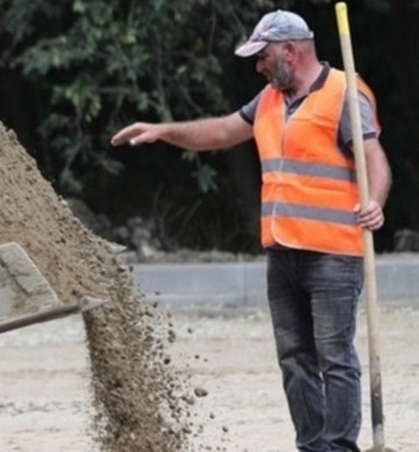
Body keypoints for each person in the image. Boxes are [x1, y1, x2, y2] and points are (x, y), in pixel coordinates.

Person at [111, 10, 391, 452]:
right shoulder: (268, 100)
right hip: (282, 251)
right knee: (295, 359)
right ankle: (313, 445)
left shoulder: (344, 94)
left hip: (334, 254)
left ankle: (339, 446)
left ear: (290, 51)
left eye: (262, 57)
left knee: (335, 358)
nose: (259, 66)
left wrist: (373, 201)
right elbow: (222, 130)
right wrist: (165, 131)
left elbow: (374, 159)